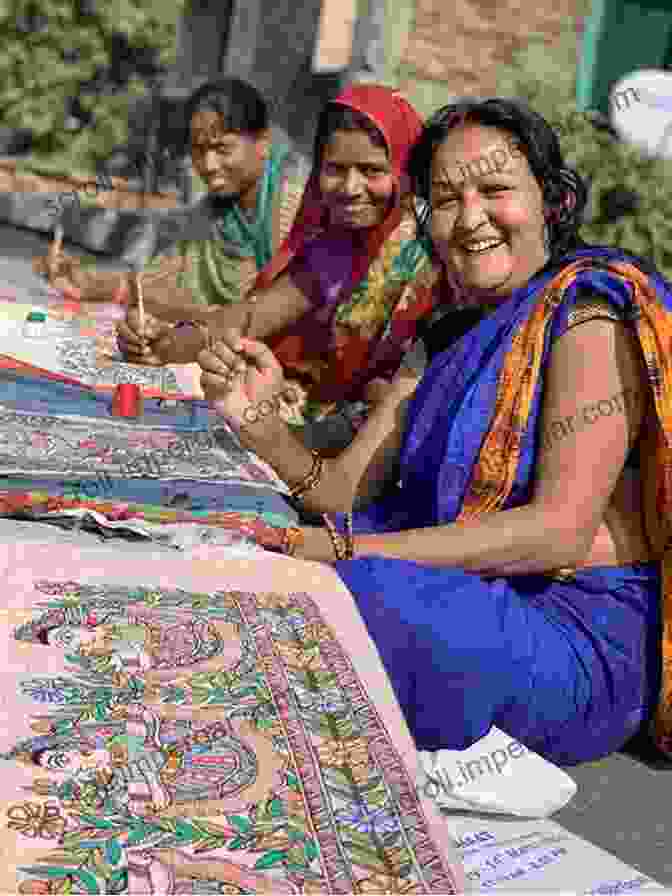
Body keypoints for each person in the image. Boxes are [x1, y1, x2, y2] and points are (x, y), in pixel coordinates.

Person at [197, 97, 672, 767]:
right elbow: (338, 491)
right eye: (446, 198)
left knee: (353, 597)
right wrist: (257, 422)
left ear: (553, 202)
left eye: (495, 190)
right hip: (454, 588)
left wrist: (346, 551)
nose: (470, 217)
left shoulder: (586, 308)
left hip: (566, 633)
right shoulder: (445, 333)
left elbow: (557, 531)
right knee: (243, 528)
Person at [116, 84, 439, 452]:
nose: (350, 187)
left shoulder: (431, 258)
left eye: (371, 170)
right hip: (317, 428)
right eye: (335, 169)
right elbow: (250, 316)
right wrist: (170, 344)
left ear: (404, 170)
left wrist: (287, 444)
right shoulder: (334, 246)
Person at [34, 76, 310, 309]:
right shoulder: (211, 215)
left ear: (262, 143)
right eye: (199, 150)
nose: (208, 165)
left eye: (223, 148)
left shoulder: (295, 211)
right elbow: (156, 282)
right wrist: (88, 282)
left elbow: (264, 315)